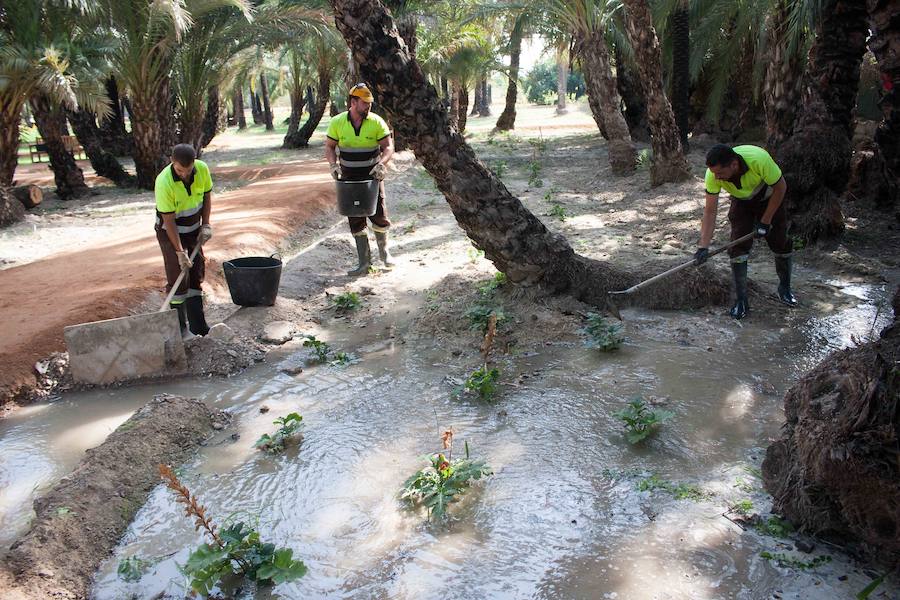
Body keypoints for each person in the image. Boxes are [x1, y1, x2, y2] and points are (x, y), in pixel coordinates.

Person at [694, 144, 797, 319]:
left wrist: (765, 221)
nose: (716, 177)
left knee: (780, 242)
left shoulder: (759, 159)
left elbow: (781, 188)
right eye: (714, 174)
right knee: (737, 247)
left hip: (770, 197)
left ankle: (785, 288)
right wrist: (703, 246)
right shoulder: (713, 175)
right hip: (741, 201)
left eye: (720, 173)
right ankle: (741, 300)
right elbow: (710, 212)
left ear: (734, 165)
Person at [325, 83, 395, 276]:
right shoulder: (337, 122)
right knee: (355, 218)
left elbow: (388, 147)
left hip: (372, 177)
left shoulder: (376, 122)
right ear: (353, 102)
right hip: (349, 178)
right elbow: (330, 146)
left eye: (370, 103)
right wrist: (333, 165)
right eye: (364, 103)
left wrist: (382, 164)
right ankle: (364, 263)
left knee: (379, 215)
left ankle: (384, 254)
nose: (368, 107)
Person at [155, 143, 212, 337]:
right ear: (172, 162)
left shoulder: (202, 169)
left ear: (194, 163)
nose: (184, 174)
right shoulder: (163, 182)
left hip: (194, 229)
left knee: (196, 273)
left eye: (188, 170)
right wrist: (179, 252)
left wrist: (206, 224)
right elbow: (169, 221)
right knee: (178, 278)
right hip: (170, 232)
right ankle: (180, 331)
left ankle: (199, 327)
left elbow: (206, 197)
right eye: (180, 170)